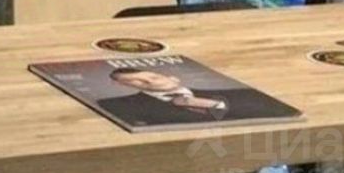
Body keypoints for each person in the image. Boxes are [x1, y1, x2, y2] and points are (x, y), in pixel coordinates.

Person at [98, 67, 296, 126]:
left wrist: (213, 104)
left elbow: (281, 113)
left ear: (173, 77)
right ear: (123, 86)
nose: (148, 82)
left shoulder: (241, 93)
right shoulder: (117, 106)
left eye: (153, 77)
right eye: (136, 81)